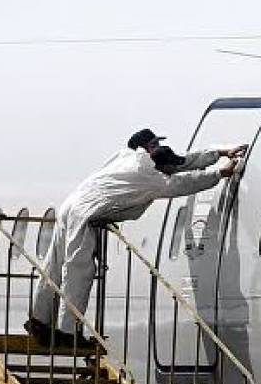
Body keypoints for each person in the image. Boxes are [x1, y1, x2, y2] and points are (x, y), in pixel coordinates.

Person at [25, 129, 247, 347]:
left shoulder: (128, 157)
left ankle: (38, 320)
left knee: (54, 266)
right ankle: (68, 333)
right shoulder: (150, 178)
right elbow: (181, 182)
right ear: (148, 149)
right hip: (85, 213)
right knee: (78, 271)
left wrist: (220, 153)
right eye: (154, 144)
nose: (170, 171)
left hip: (70, 205)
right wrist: (219, 174)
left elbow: (181, 162)